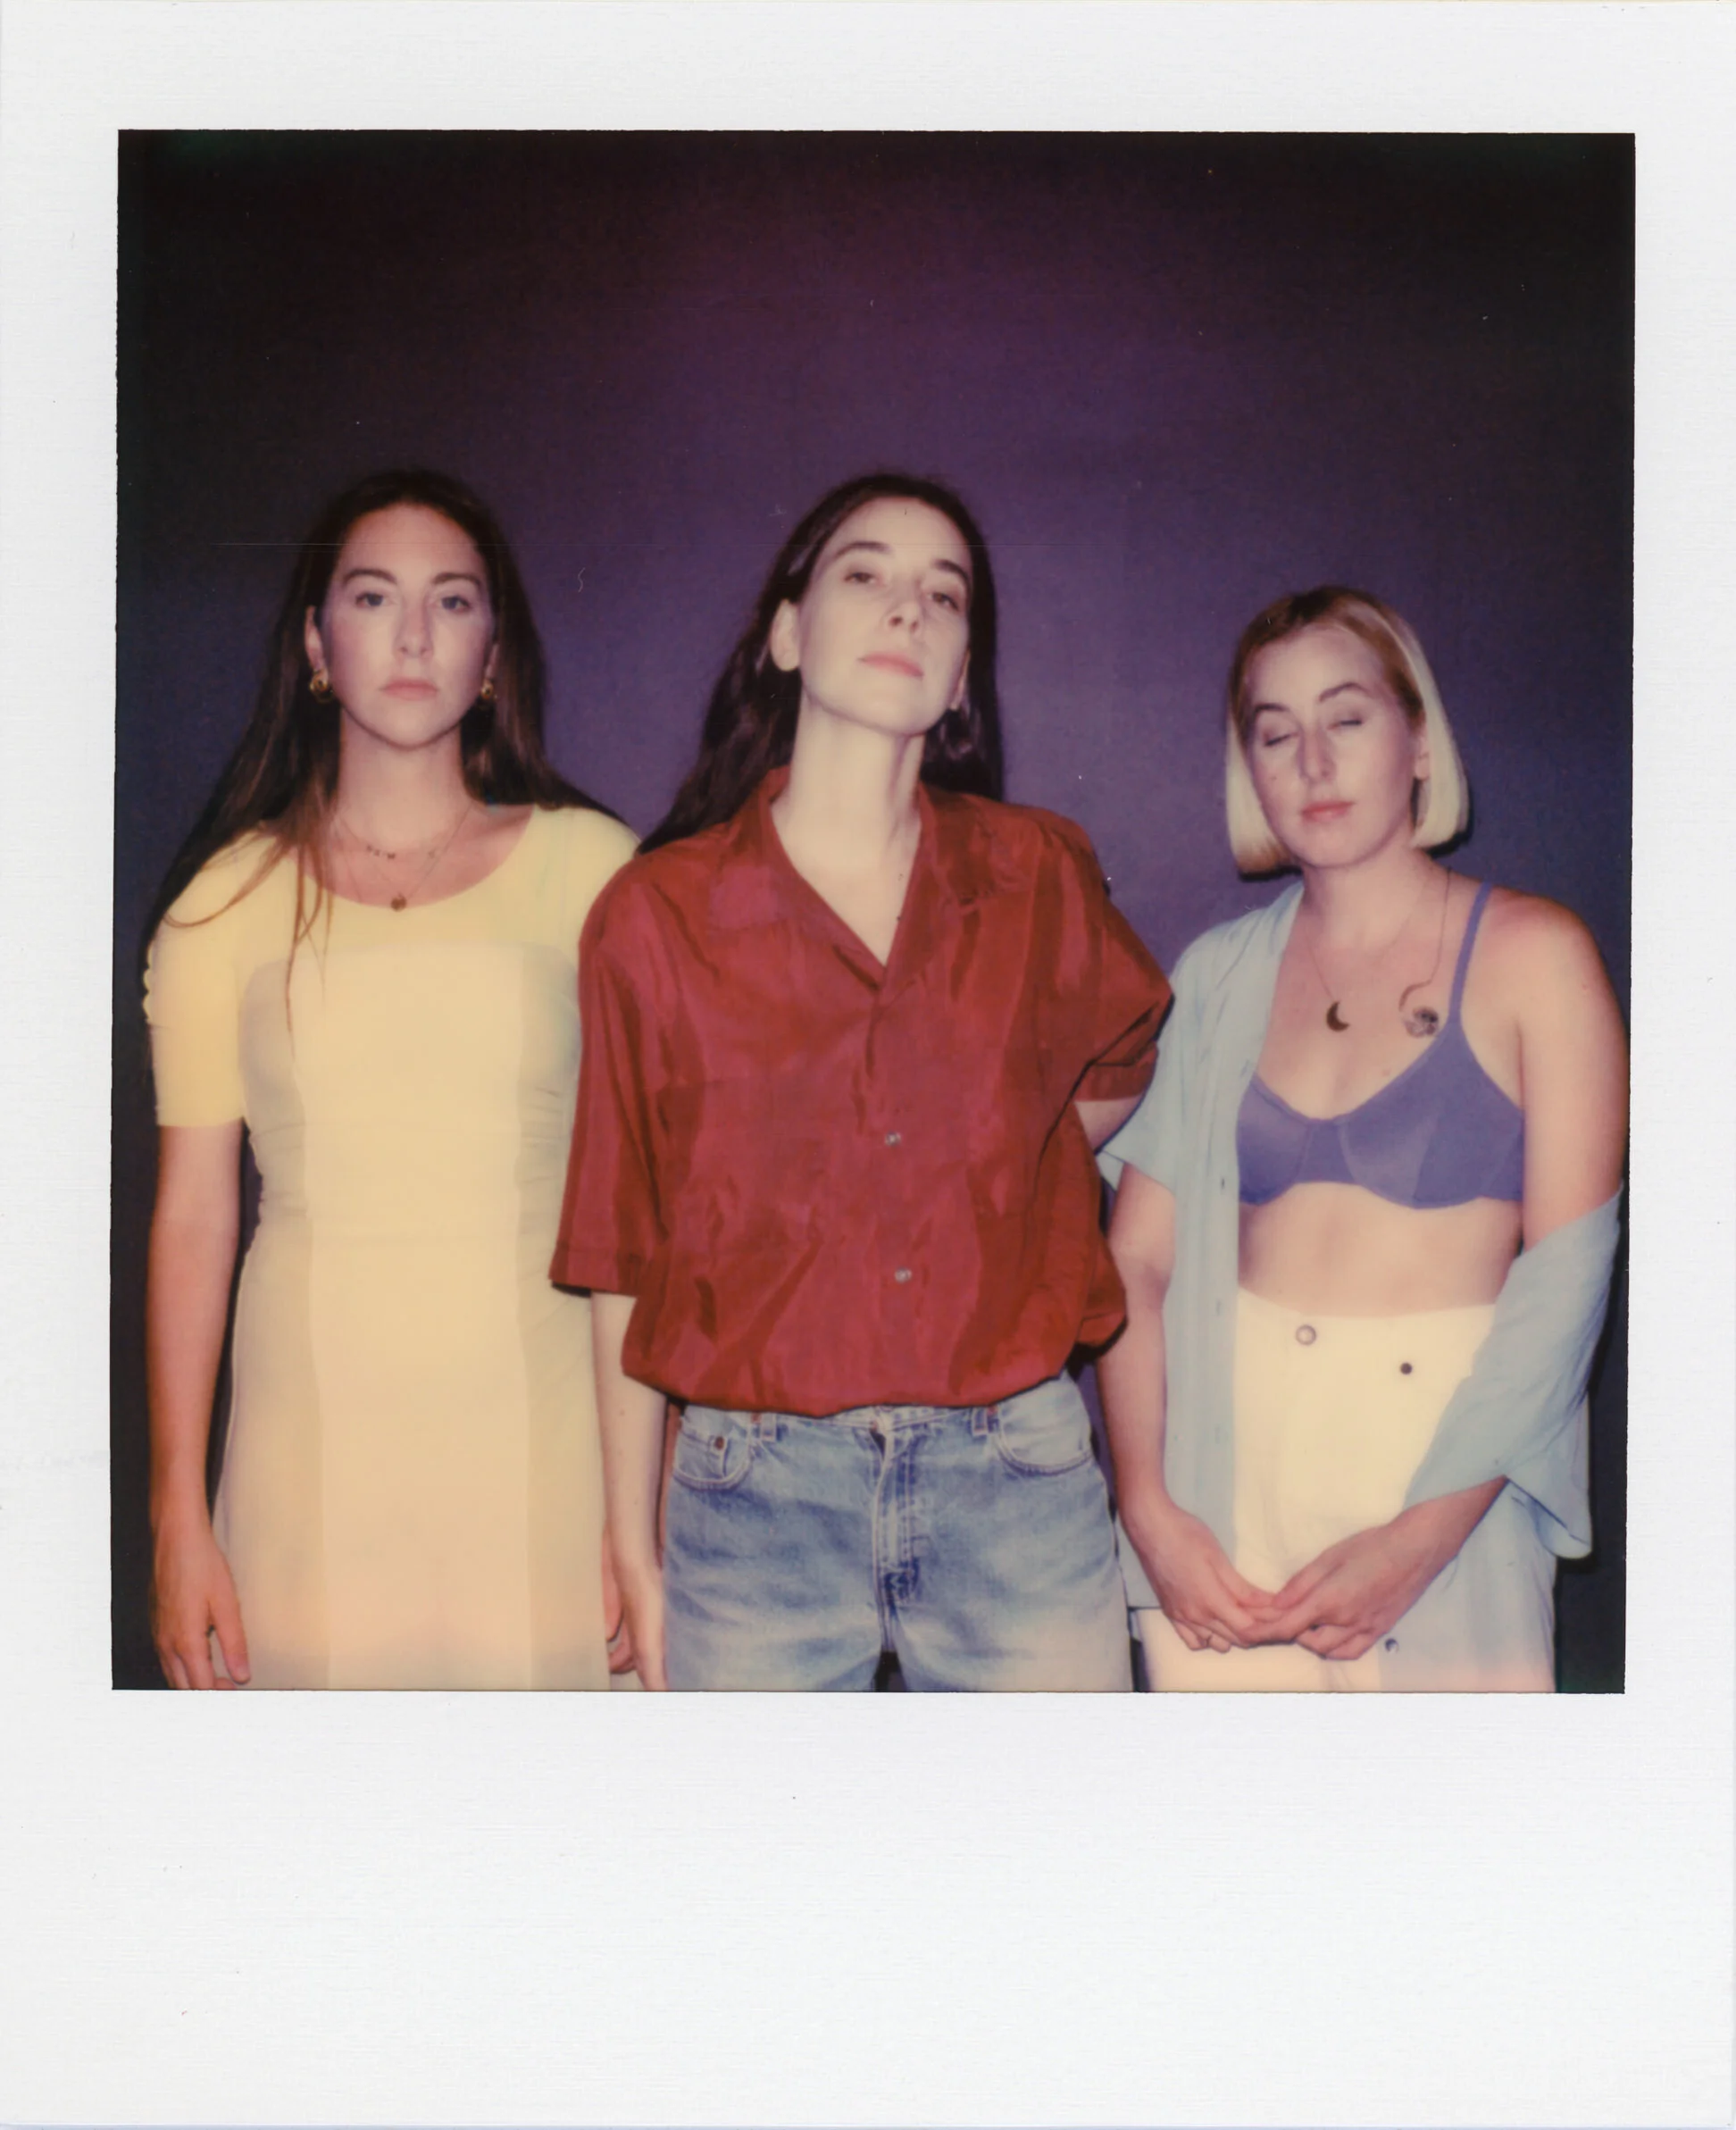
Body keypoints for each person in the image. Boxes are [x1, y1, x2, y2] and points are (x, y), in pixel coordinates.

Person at [551, 471, 1171, 1691]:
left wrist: (991, 1169)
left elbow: (1111, 1081)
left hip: (1016, 1485)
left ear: (960, 676)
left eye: (945, 595)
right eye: (866, 575)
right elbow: (621, 1249)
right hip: (752, 1504)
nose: (908, 609)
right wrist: (631, 1538)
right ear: (787, 634)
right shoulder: (653, 915)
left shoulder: (1040, 874)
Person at [144, 468, 638, 1689]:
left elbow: (651, 1212)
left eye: (452, 601)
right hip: (307, 1465)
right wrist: (175, 1513)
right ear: (318, 645)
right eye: (373, 598)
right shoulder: (223, 903)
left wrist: (645, 1507)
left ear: (493, 652)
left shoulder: (596, 873)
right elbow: (196, 1218)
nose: (414, 634)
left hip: (547, 1460)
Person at [1097, 587, 1627, 1691]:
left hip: (1446, 1483)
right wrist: (1147, 1508)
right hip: (1220, 1495)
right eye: (1275, 734)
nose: (1314, 763)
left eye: (1346, 718)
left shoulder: (1538, 956)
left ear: (1420, 743)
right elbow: (1138, 1260)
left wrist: (1423, 1539)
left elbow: (1567, 1283)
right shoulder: (1217, 975)